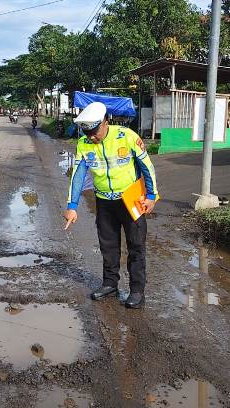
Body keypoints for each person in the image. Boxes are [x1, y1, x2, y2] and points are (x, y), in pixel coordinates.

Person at [63, 102, 158, 309]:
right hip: (104, 202)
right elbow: (78, 175)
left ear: (106, 122)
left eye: (94, 131)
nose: (91, 136)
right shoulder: (84, 143)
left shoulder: (127, 136)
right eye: (87, 132)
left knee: (136, 246)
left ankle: (137, 291)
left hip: (131, 199)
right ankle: (110, 284)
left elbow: (147, 166)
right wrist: (72, 205)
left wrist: (151, 196)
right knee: (108, 245)